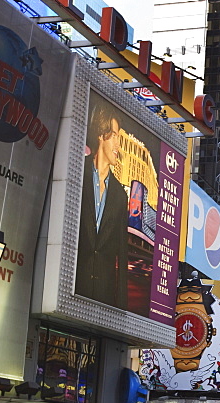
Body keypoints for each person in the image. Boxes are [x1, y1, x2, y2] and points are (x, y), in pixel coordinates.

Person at [76, 102, 130, 310]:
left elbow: (122, 254)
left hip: (103, 296)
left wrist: (122, 307)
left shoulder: (119, 195)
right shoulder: (77, 171)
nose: (118, 146)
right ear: (101, 135)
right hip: (72, 284)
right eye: (114, 136)